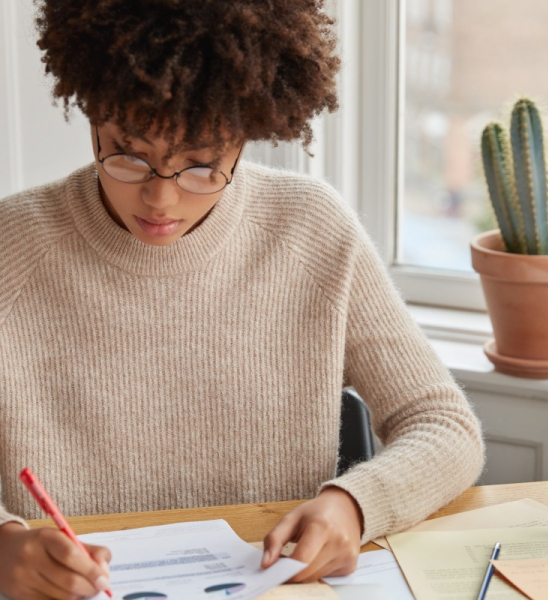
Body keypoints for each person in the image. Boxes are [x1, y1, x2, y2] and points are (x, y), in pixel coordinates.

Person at [0, 1, 485, 599]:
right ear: (93, 114)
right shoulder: (10, 248)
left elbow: (443, 424)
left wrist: (353, 505)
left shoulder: (310, 230)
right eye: (129, 154)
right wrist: (3, 543)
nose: (160, 199)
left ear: (247, 135)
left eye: (201, 166)